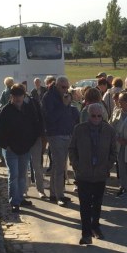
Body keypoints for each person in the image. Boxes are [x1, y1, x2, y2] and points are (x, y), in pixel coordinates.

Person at [69, 103, 117, 245]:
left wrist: (107, 166)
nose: (96, 118)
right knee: (84, 205)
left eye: (99, 116)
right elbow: (72, 148)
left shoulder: (109, 130)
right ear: (88, 116)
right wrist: (76, 165)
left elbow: (113, 151)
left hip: (100, 174)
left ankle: (95, 226)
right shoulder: (79, 129)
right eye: (93, 116)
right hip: (83, 173)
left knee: (97, 203)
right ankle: (86, 234)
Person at [0, 85, 42, 213]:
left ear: (24, 96)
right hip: (10, 150)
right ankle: (14, 201)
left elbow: (36, 126)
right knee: (13, 175)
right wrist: (6, 145)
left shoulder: (28, 109)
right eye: (15, 96)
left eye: (20, 95)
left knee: (22, 175)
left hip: (25, 148)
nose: (18, 98)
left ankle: (20, 198)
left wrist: (31, 143)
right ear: (11, 97)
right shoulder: (5, 111)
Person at [42, 75, 79, 206]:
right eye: (63, 87)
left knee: (59, 165)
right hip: (55, 134)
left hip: (66, 133)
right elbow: (50, 118)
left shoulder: (64, 95)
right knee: (59, 166)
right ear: (57, 85)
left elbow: (67, 114)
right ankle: (59, 195)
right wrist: (64, 105)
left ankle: (54, 193)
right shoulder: (48, 97)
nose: (65, 89)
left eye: (67, 87)